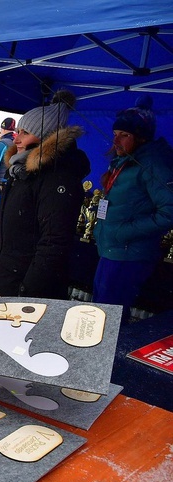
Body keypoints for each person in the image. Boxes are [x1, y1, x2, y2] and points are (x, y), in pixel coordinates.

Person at [0, 90, 90, 299]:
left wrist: (25, 291)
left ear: (46, 137)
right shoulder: (22, 171)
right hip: (10, 282)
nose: (17, 139)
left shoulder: (57, 177)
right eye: (18, 131)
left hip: (28, 293)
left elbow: (54, 243)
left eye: (25, 133)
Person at [92, 96, 173, 323]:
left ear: (141, 137)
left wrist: (123, 232)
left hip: (128, 254)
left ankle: (108, 358)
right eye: (116, 133)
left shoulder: (153, 162)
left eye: (124, 135)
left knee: (108, 319)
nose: (116, 140)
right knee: (99, 312)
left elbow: (169, 211)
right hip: (111, 249)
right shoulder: (124, 160)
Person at [0, 117, 16, 205]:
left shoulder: (2, 144)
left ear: (2, 129)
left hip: (0, 187)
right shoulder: (17, 142)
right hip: (14, 184)